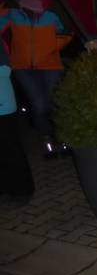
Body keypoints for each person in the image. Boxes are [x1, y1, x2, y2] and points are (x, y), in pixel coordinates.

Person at [0, 0, 72, 156]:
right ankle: (47, 140)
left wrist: (51, 47)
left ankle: (63, 138)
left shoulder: (51, 9)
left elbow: (66, 31)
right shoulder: (12, 12)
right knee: (39, 105)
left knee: (54, 102)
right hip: (23, 67)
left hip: (50, 64)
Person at [0, 41, 34, 207]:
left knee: (10, 148)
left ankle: (22, 190)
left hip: (2, 104)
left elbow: (4, 70)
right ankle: (5, 189)